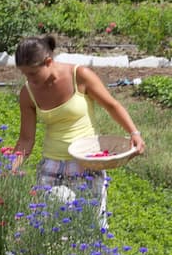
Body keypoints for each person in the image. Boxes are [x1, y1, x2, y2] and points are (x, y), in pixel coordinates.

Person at [10, 35, 145, 226]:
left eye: (32, 74)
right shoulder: (28, 93)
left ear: (48, 62)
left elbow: (112, 105)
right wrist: (9, 168)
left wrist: (134, 133)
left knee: (90, 227)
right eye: (24, 74)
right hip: (51, 165)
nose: (28, 79)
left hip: (87, 163)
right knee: (49, 227)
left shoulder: (79, 76)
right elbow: (26, 139)